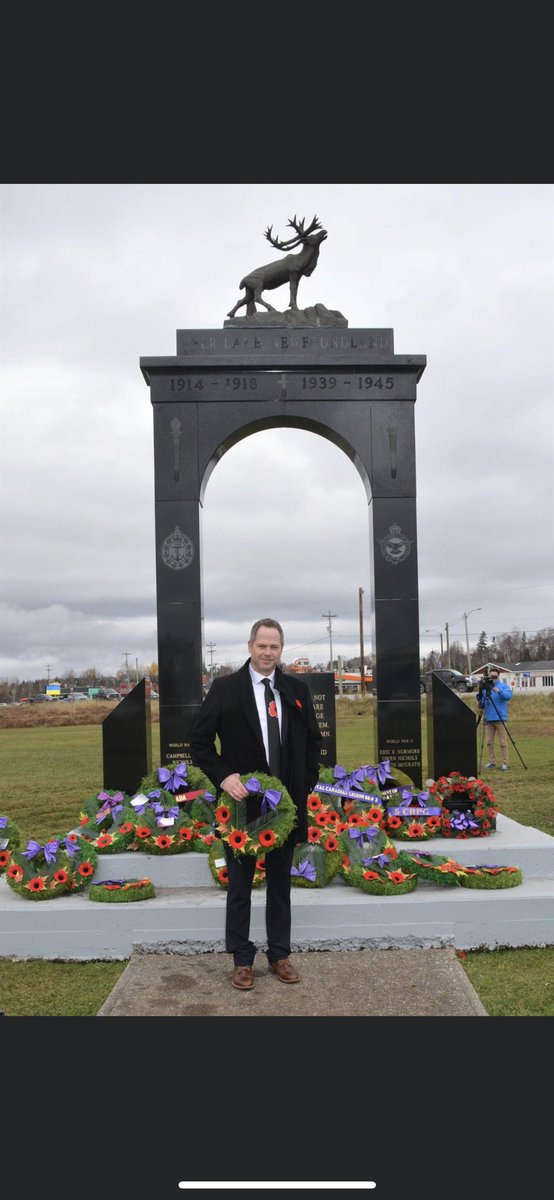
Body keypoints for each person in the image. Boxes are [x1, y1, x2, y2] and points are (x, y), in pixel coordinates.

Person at [189, 618, 323, 991]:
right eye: (262, 646)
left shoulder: (295, 690)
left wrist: (304, 784)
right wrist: (224, 776)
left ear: (281, 650)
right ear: (250, 646)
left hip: (285, 807)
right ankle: (242, 960)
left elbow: (313, 743)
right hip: (241, 805)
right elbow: (199, 743)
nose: (268, 653)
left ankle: (279, 955)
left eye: (274, 647)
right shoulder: (225, 689)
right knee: (241, 885)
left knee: (281, 883)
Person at [477, 668, 513, 770]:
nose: (493, 679)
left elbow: (509, 696)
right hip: (489, 719)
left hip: (500, 718)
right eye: (491, 677)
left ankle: (505, 763)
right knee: (489, 742)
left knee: (503, 742)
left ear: (498, 676)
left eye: (495, 677)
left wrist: (499, 691)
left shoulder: (503, 686)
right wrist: (480, 699)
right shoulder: (486, 688)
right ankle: (492, 762)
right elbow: (482, 703)